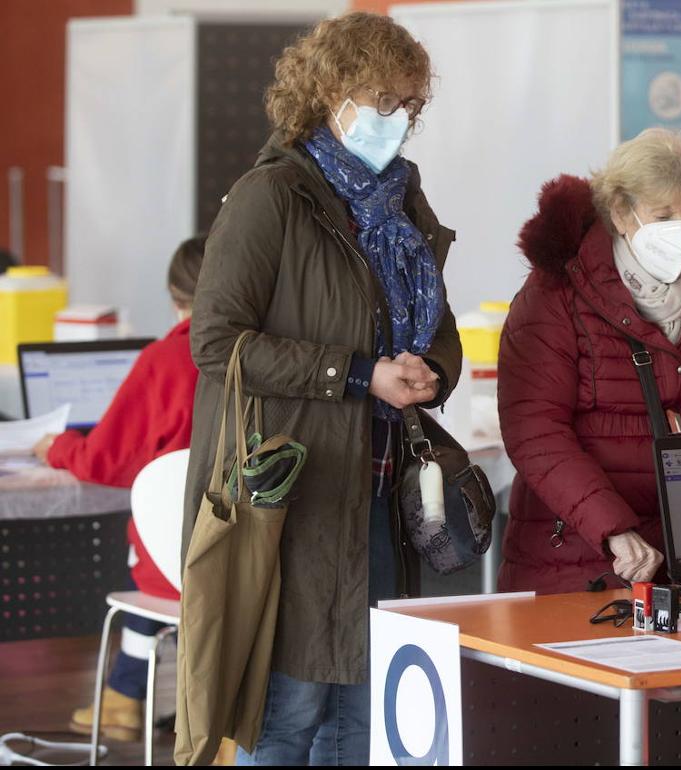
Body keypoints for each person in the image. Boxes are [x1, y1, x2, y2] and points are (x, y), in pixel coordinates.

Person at [183, 12, 461, 766]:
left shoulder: (403, 200)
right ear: (330, 92)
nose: (397, 120)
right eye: (383, 99)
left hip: (378, 489)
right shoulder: (270, 195)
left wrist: (434, 371)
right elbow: (216, 341)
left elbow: (435, 324)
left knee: (361, 710)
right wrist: (354, 372)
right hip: (291, 495)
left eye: (411, 106)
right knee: (290, 711)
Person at [497, 128, 681, 595]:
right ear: (622, 212)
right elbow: (536, 431)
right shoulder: (556, 295)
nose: (680, 232)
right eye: (663, 215)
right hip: (578, 555)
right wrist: (611, 527)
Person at [30, 236, 203, 743]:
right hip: (254, 555)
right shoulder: (267, 354)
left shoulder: (163, 359)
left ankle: (125, 695)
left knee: (147, 560)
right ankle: (133, 695)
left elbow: (102, 460)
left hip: (172, 565)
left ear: (175, 297)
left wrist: (56, 445)